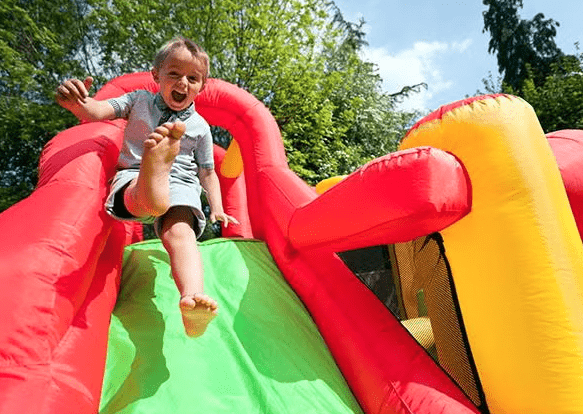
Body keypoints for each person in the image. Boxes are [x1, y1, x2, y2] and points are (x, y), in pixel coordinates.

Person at [56, 36, 238, 337]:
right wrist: (78, 102)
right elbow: (97, 111)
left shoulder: (200, 127)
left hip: (179, 182)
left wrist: (217, 207)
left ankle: (191, 298)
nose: (183, 83)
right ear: (156, 75)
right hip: (135, 172)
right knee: (148, 201)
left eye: (193, 78)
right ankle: (153, 174)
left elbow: (207, 172)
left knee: (179, 232)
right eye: (174, 74)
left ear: (201, 86)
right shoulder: (136, 100)